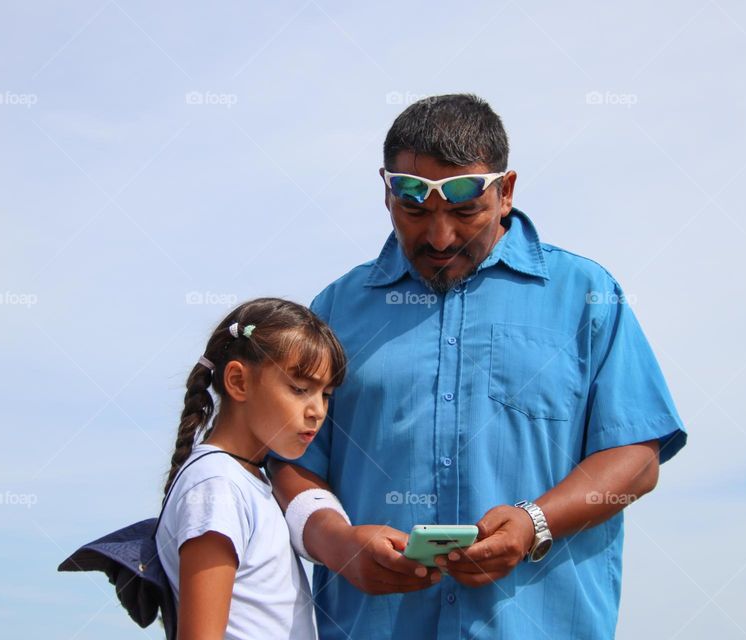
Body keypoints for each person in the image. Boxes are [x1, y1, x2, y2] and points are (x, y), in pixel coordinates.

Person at [269, 94, 688, 639]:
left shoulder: (587, 295)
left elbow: (636, 457)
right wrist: (334, 542)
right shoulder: (336, 310)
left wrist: (535, 522)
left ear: (505, 191)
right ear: (387, 192)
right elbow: (291, 460)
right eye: (415, 211)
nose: (439, 238)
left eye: (464, 211)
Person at [155, 297, 346, 640]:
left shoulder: (246, 479)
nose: (317, 410)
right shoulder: (217, 485)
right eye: (300, 389)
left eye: (326, 394)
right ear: (238, 382)